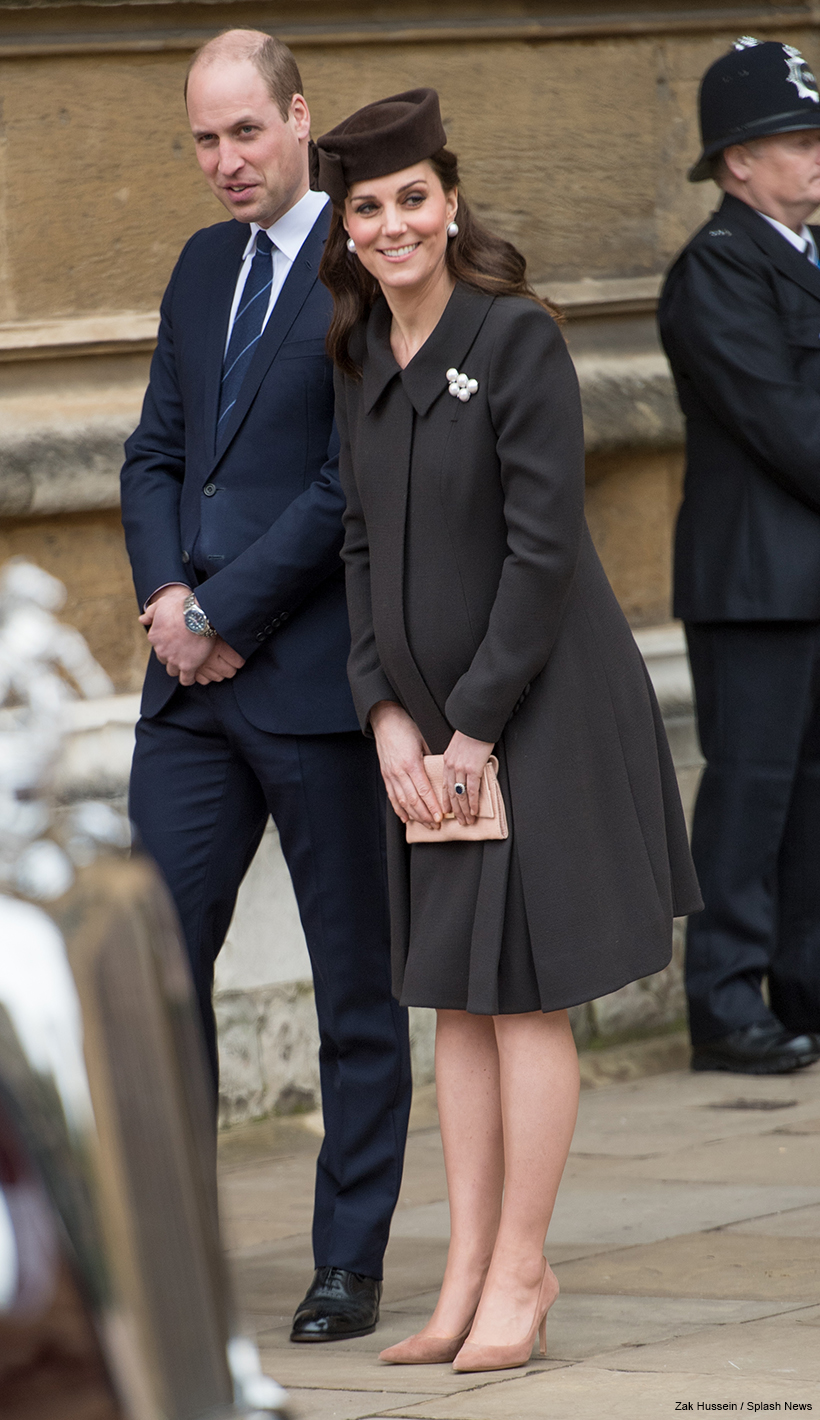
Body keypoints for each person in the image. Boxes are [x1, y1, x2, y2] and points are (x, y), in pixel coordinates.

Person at [314, 88, 702, 1373]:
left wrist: (467, 731)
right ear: (348, 226)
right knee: (456, 1002)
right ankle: (465, 1269)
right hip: (423, 733)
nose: (392, 224)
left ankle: (523, 1269)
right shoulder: (359, 353)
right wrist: (382, 716)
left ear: (449, 199)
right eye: (367, 207)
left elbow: (542, 557)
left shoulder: (514, 339)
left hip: (532, 715)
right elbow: (359, 547)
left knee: (526, 1000)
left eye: (411, 198)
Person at [120, 30, 411, 1343]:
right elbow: (152, 456)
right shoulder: (196, 267)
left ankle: (348, 1259)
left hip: (310, 688)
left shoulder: (366, 266)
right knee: (153, 977)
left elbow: (350, 480)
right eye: (203, 139)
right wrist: (174, 609)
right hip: (187, 698)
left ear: (300, 120)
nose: (225, 161)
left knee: (357, 990)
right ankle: (157, 1252)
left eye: (246, 131)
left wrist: (230, 611)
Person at [658, 37, 820, 1075]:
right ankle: (723, 1002)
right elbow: (784, 424)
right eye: (796, 142)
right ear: (735, 165)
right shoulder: (716, 269)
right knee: (751, 794)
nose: (815, 160)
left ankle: (802, 987)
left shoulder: (806, 256)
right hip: (756, 585)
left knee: (813, 799)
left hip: (805, 579)